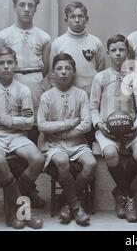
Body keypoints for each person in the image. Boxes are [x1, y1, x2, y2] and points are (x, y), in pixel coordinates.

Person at [0, 47, 44, 229]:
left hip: (16, 137)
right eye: (1, 63)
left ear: (15, 65)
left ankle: (12, 206)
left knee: (38, 159)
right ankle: (22, 209)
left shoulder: (23, 89)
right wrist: (15, 122)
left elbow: (29, 122)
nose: (6, 67)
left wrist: (2, 119)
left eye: (10, 62)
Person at [90, 34, 137, 223]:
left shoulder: (134, 78)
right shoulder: (100, 77)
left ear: (127, 52)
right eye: (113, 50)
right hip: (107, 128)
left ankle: (119, 191)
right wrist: (100, 124)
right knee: (110, 152)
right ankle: (128, 196)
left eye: (121, 50)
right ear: (107, 53)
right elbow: (93, 107)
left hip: (131, 128)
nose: (117, 53)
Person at [38, 53, 96, 226]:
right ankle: (76, 207)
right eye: (59, 68)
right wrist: (67, 124)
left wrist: (62, 132)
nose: (63, 72)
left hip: (77, 143)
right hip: (54, 144)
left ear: (74, 71)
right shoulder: (47, 96)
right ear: (53, 73)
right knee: (61, 160)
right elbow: (42, 125)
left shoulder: (81, 95)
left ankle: (66, 203)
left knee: (91, 163)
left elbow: (86, 124)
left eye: (68, 68)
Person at [0, 0, 51, 146]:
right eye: (22, 5)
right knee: (13, 121)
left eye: (30, 5)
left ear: (35, 9)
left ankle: (31, 160)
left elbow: (46, 67)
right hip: (12, 81)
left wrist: (33, 78)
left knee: (33, 122)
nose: (26, 9)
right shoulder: (3, 36)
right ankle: (16, 165)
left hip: (35, 81)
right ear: (15, 7)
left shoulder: (44, 37)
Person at [50, 1, 105, 95]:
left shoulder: (96, 42)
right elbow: (53, 75)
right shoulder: (58, 43)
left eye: (80, 16)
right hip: (67, 95)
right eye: (72, 17)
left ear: (86, 19)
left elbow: (101, 72)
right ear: (66, 20)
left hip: (91, 94)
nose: (77, 20)